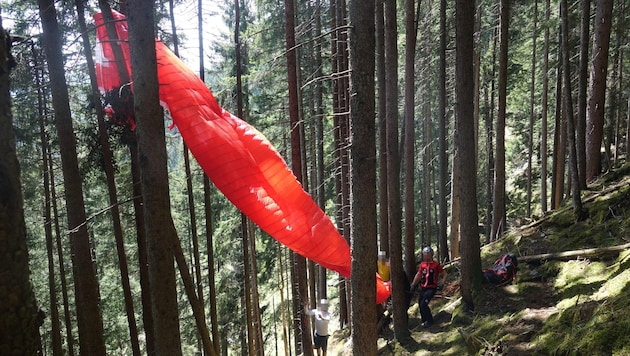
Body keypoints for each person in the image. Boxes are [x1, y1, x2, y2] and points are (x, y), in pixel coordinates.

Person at [410, 246, 447, 328]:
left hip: (431, 288)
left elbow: (444, 274)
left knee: (424, 304)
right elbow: (418, 275)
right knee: (420, 303)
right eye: (424, 254)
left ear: (431, 255)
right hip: (423, 288)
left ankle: (430, 321)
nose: (425, 256)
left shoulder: (436, 265)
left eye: (427, 254)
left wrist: (442, 283)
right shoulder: (422, 265)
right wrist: (413, 285)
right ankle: (424, 320)